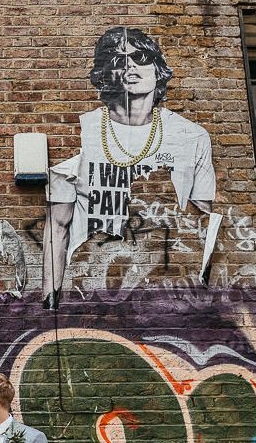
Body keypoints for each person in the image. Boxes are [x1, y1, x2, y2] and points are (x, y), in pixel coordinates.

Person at [42, 26, 217, 308]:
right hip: (90, 292)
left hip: (171, 292)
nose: (131, 66)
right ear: (104, 74)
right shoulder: (79, 132)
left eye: (141, 57)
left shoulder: (192, 137)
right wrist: (49, 303)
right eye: (118, 60)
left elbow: (201, 223)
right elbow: (57, 227)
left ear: (157, 68)